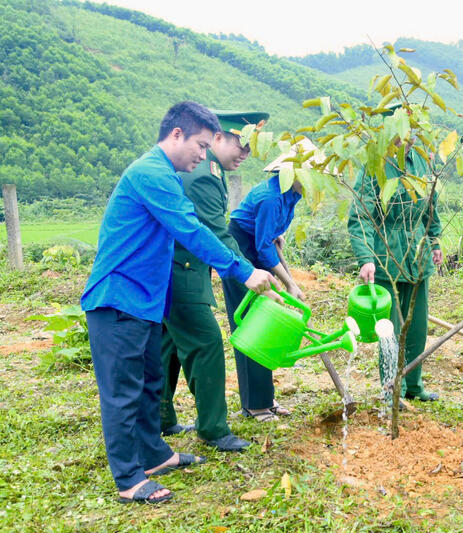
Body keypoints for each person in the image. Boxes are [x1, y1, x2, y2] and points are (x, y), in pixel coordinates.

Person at [81, 101, 276, 503]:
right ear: (176, 135)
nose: (203, 156)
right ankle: (129, 478)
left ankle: (154, 454)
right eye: (201, 146)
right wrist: (243, 270)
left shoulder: (166, 176)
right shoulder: (151, 174)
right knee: (123, 392)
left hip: (146, 302)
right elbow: (192, 230)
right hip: (118, 299)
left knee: (151, 382)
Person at [159, 110, 270, 452]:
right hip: (184, 269)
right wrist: (247, 272)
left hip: (169, 268)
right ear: (219, 138)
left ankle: (160, 417)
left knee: (169, 344)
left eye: (251, 150)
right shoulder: (206, 176)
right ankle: (213, 428)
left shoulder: (210, 173)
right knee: (206, 344)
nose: (245, 155)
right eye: (241, 145)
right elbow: (216, 232)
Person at [347, 120, 442, 402]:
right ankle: (392, 388)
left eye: (410, 132)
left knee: (417, 326)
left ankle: (413, 384)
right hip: (385, 254)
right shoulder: (374, 166)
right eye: (399, 132)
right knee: (389, 329)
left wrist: (434, 239)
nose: (405, 139)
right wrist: (366, 257)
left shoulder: (422, 163)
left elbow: (430, 206)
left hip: (418, 254)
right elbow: (361, 216)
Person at [221, 153, 306, 421]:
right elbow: (263, 248)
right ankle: (254, 404)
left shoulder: (290, 195)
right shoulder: (271, 198)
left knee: (267, 322)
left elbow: (270, 238)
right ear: (295, 174)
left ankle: (265, 399)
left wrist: (274, 235)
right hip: (242, 252)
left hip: (257, 247)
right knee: (250, 325)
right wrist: (289, 283)